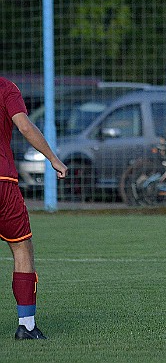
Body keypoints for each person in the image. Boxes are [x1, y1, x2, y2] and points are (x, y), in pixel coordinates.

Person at [0, 77, 68, 340]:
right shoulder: (6, 87)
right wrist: (54, 159)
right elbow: (25, 127)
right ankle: (26, 325)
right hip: (3, 181)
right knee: (21, 247)